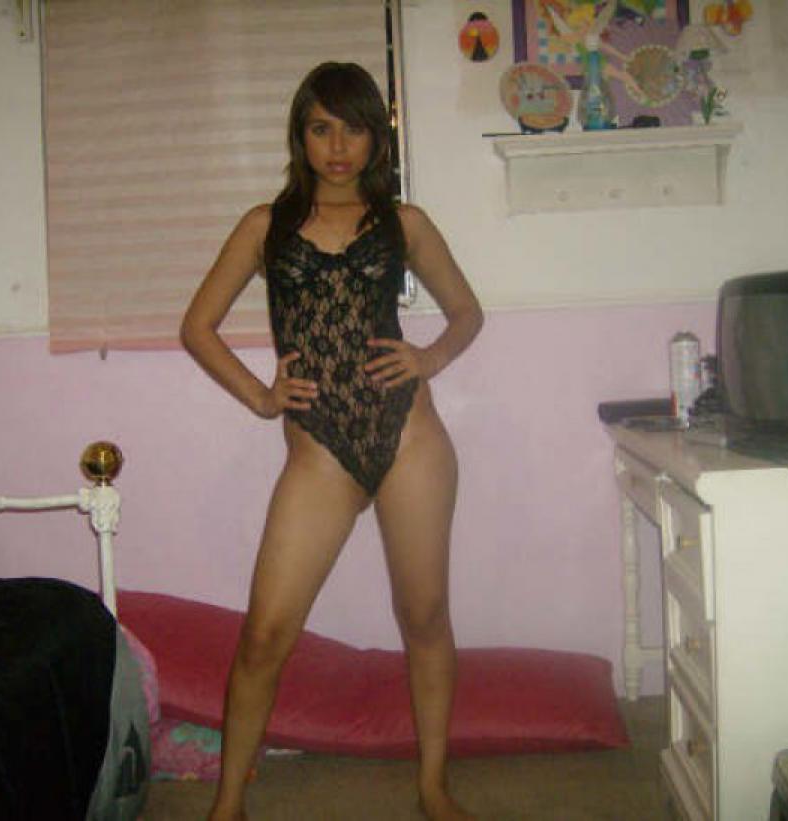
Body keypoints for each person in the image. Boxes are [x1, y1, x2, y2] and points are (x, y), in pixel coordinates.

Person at [180, 61, 484, 821]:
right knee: (264, 635)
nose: (338, 147)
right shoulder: (266, 226)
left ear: (377, 137)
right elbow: (198, 327)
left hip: (409, 439)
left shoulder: (405, 223)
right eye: (322, 128)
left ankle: (433, 787)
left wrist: (428, 359)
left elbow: (467, 313)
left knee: (425, 617)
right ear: (301, 135)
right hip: (318, 453)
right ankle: (227, 805)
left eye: (354, 129)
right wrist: (261, 396)